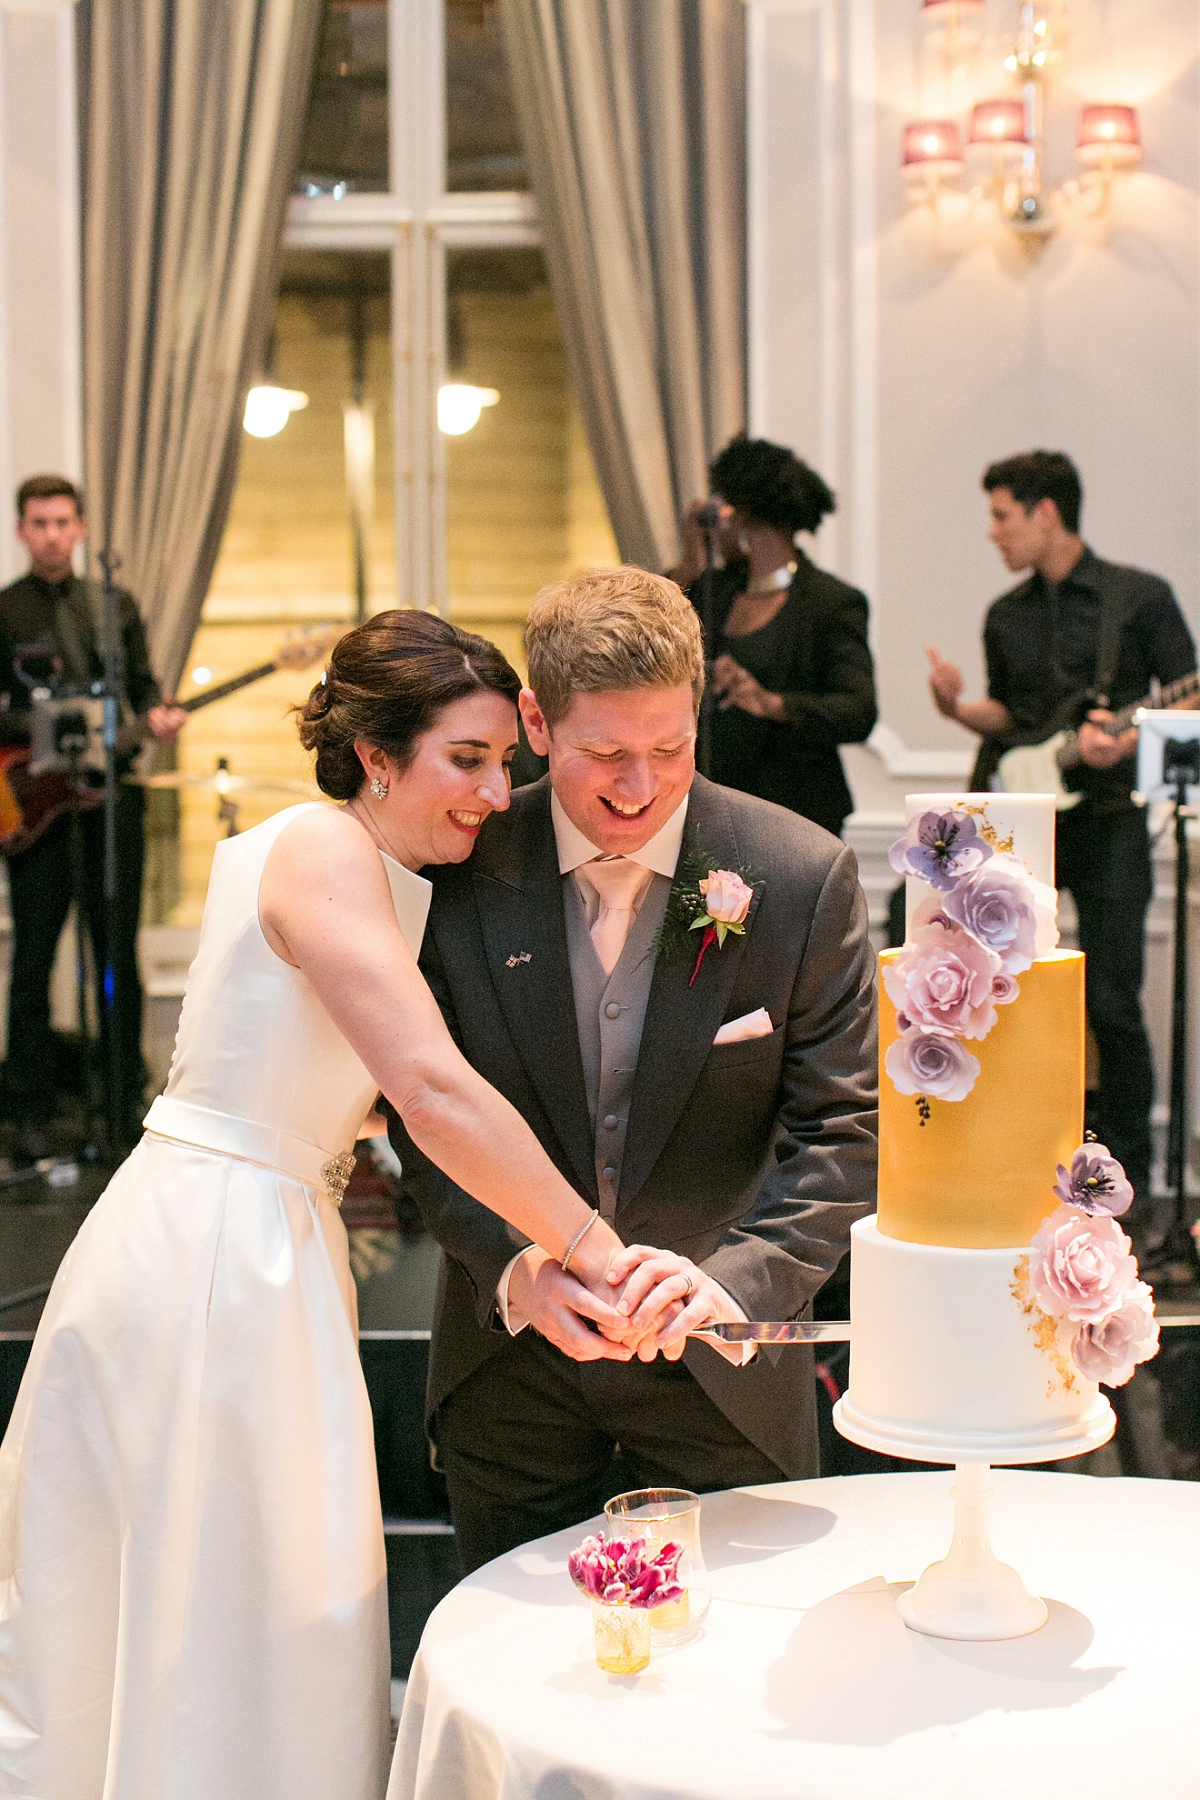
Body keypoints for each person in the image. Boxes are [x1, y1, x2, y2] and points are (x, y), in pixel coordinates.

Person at [0, 609, 662, 1800]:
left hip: (262, 1233)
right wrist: (594, 1245)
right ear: (374, 754)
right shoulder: (319, 850)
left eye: (504, 761)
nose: (494, 791)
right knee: (229, 1591)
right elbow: (426, 1086)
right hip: (212, 1256)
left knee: (250, 1595)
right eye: (465, 760)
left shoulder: (367, 868)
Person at [385, 566, 878, 1575]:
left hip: (722, 1386)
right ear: (534, 719)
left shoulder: (797, 875)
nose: (638, 787)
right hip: (509, 1373)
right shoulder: (454, 874)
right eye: (604, 752)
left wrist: (732, 1283)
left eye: (671, 749)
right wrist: (517, 1267)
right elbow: (418, 1115)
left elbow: (841, 1133)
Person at [927, 450, 1198, 1239]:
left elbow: (1187, 697)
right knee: (1010, 995)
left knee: (1113, 1001)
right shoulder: (1003, 614)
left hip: (1110, 819)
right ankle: (1019, 1166)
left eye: (1003, 514)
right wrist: (955, 709)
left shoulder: (1140, 600)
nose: (994, 532)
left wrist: (1127, 740)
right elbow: (1013, 724)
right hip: (1025, 827)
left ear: (1047, 514)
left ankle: (1133, 1188)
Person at [0, 474, 188, 1154]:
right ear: (23, 531)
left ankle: (119, 1098)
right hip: (39, 813)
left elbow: (143, 692)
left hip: (111, 809)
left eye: (62, 522)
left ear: (80, 529)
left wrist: (156, 716)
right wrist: (54, 724)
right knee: (35, 957)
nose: (52, 533)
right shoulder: (6, 611)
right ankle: (26, 1109)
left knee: (116, 954)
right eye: (39, 523)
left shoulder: (114, 607)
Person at [667, 434, 877, 837]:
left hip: (796, 807)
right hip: (715, 803)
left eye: (719, 503)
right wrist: (693, 557)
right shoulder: (716, 589)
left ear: (744, 515)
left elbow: (858, 710)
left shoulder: (830, 601)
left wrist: (769, 703)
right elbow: (655, 621)